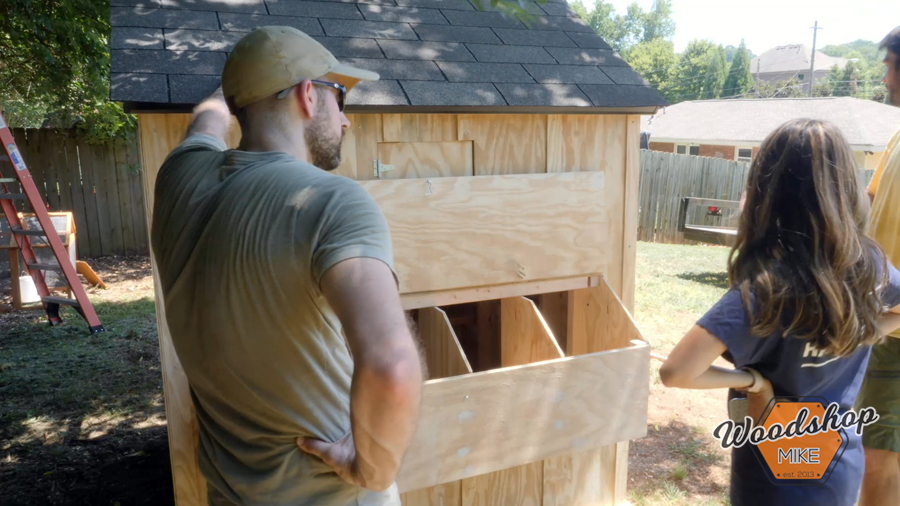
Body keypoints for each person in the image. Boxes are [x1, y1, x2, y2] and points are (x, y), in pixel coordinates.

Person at [150, 26, 423, 506]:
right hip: (331, 494)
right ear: (307, 95)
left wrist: (242, 84)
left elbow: (206, 125)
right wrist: (373, 469)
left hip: (230, 493)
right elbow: (392, 365)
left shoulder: (178, 180)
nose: (346, 121)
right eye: (340, 97)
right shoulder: (332, 201)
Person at [659, 118, 900, 506]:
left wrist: (755, 383)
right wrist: (864, 330)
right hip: (839, 465)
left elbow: (675, 373)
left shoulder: (764, 288)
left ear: (765, 192)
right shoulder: (867, 265)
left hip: (774, 477)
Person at [857, 25, 900, 506]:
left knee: (877, 451)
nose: (885, 78)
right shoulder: (898, 136)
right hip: (880, 319)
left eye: (890, 64)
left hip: (894, 330)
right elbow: (866, 210)